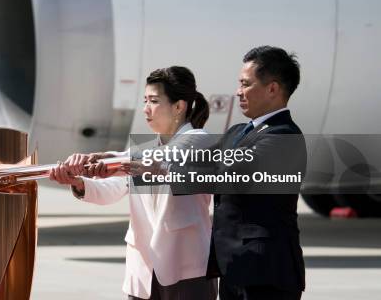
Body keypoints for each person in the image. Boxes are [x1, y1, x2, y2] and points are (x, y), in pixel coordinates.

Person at [49, 66, 218, 300]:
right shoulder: (142, 148)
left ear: (179, 107)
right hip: (143, 270)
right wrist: (79, 182)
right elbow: (113, 190)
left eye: (154, 101)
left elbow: (167, 160)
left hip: (187, 270)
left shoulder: (200, 140)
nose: (146, 109)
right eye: (145, 100)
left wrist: (104, 158)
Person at [207, 46, 306, 300]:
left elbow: (227, 171)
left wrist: (156, 167)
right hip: (234, 269)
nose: (238, 91)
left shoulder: (283, 136)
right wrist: (122, 163)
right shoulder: (239, 131)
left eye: (245, 84)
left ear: (272, 88)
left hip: (267, 273)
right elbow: (199, 161)